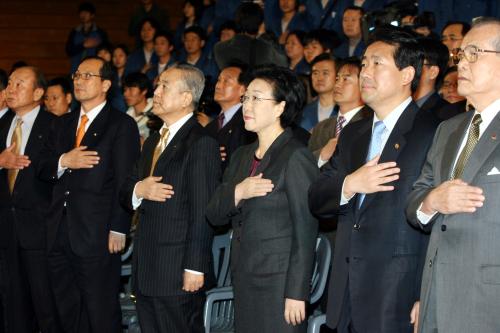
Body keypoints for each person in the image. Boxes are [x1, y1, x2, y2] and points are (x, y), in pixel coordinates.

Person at [308, 26, 440, 333]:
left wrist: (425, 295)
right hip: (345, 292)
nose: (365, 72)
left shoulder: (433, 132)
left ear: (407, 74)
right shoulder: (354, 133)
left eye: (376, 63)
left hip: (397, 295)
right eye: (364, 63)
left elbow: (436, 225)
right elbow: (317, 197)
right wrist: (350, 184)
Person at [206, 65, 318, 333]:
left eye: (256, 98)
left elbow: (306, 230)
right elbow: (214, 213)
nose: (247, 105)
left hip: (279, 283)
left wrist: (297, 292)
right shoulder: (242, 156)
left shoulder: (296, 156)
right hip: (244, 276)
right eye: (245, 98)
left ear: (280, 107)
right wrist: (239, 191)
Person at [406, 17, 500, 333]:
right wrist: (432, 200)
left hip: (488, 304)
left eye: (474, 53)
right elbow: (417, 198)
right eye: (460, 54)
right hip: (436, 296)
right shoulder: (448, 129)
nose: (461, 63)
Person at [37, 56, 141, 333]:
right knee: (66, 308)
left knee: (100, 310)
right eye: (77, 76)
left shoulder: (120, 125)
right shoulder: (62, 123)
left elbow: (125, 181)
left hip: (97, 233)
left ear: (106, 84)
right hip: (58, 230)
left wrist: (119, 228)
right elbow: (42, 166)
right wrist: (63, 161)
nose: (79, 81)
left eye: (87, 76)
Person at [120, 64, 220, 333]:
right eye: (158, 85)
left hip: (177, 270)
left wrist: (195, 267)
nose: (157, 91)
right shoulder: (153, 141)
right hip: (147, 266)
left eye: (165, 86)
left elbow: (203, 211)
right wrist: (139, 189)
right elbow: (125, 189)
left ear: (187, 98)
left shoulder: (201, 143)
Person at [0, 66, 60, 333]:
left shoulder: (55, 125)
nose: (10, 90)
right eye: (9, 84)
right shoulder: (1, 124)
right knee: (12, 304)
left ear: (38, 92)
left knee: (46, 303)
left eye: (19, 84)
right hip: (4, 228)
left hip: (41, 227)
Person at [309, 57, 371, 167]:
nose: (337, 85)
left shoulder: (370, 125)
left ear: (363, 85)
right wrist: (322, 155)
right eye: (337, 79)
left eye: (346, 79)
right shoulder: (321, 127)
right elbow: (304, 166)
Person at [206, 63, 256, 171]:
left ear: (243, 90)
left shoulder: (248, 123)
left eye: (226, 81)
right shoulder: (210, 126)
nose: (218, 86)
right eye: (219, 80)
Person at [213, 2, 288, 70]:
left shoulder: (219, 48)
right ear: (261, 24)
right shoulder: (266, 49)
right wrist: (263, 35)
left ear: (237, 20)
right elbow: (283, 64)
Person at [65, 2, 109, 73]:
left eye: (86, 12)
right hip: (76, 69)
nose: (83, 15)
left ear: (92, 15)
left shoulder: (100, 32)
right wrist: (83, 45)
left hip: (95, 69)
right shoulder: (74, 32)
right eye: (81, 13)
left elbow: (107, 49)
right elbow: (68, 51)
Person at [414, 38, 450, 120]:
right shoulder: (397, 106)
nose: (408, 69)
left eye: (415, 63)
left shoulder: (446, 113)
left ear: (433, 72)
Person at [300, 53, 338, 131]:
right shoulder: (305, 111)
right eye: (315, 73)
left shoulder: (344, 109)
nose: (319, 78)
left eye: (325, 73)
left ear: (338, 76)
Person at [123, 72, 153, 143]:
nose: (125, 94)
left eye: (131, 89)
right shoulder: (126, 116)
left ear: (144, 91)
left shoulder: (157, 114)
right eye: (125, 89)